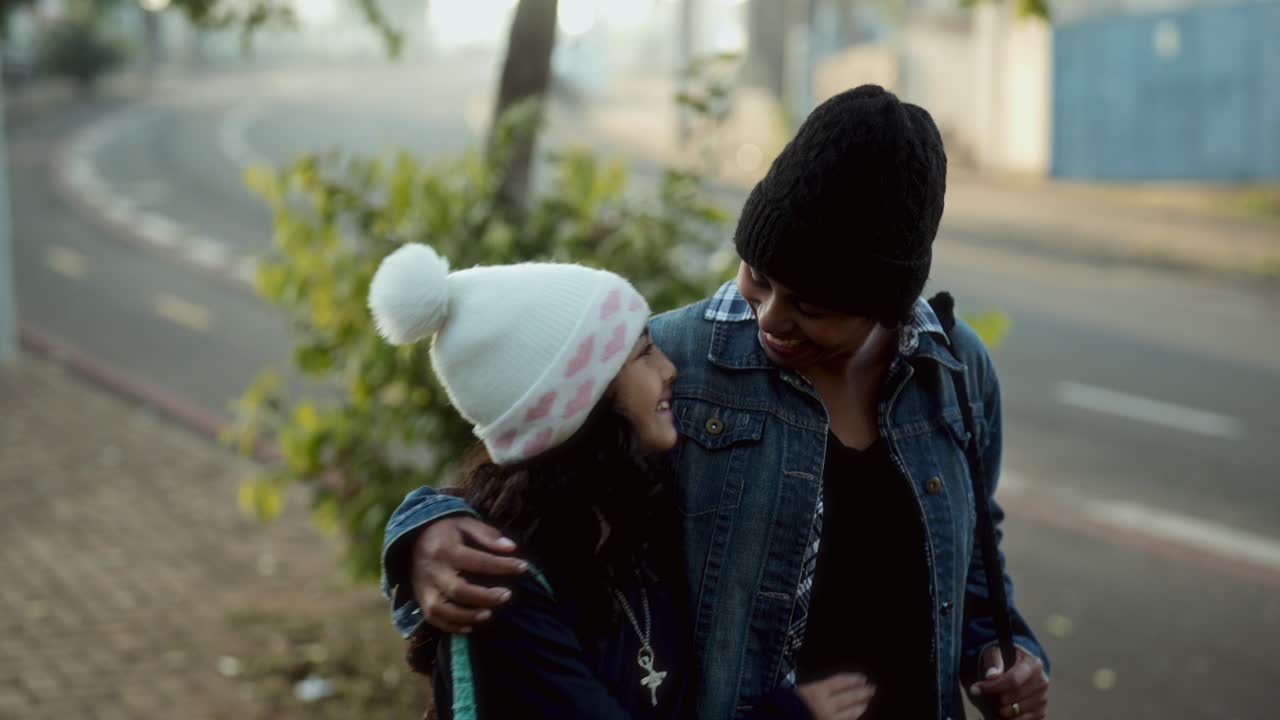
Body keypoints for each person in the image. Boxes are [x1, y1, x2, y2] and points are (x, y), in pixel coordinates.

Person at [381, 86, 1051, 719]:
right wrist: (421, 530)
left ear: (885, 303)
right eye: (759, 278)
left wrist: (1004, 651)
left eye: (810, 308)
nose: (771, 320)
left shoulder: (956, 371)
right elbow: (533, 482)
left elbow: (973, 555)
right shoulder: (678, 361)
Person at [368, 244, 876, 719]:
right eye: (643, 353)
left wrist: (420, 520)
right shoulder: (499, 588)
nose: (672, 368)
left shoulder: (622, 524)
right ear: (582, 402)